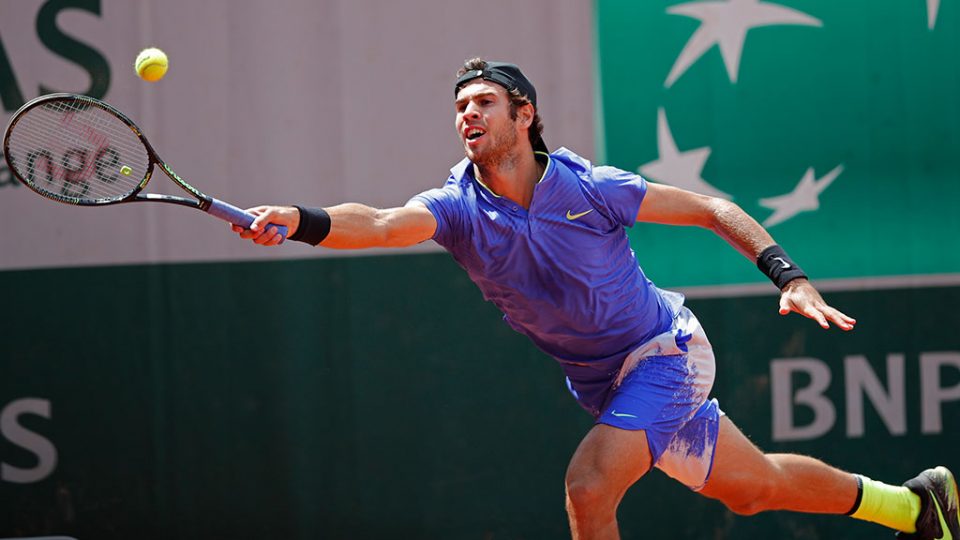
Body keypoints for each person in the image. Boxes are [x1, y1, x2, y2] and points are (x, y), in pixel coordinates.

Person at [233, 58, 958, 540]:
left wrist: (788, 276)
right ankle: (915, 506)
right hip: (604, 382)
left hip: (666, 353)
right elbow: (381, 223)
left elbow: (711, 208)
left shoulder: (592, 187)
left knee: (588, 487)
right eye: (459, 107)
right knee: (753, 488)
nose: (467, 115)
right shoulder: (454, 207)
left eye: (484, 102)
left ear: (525, 114)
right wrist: (300, 219)